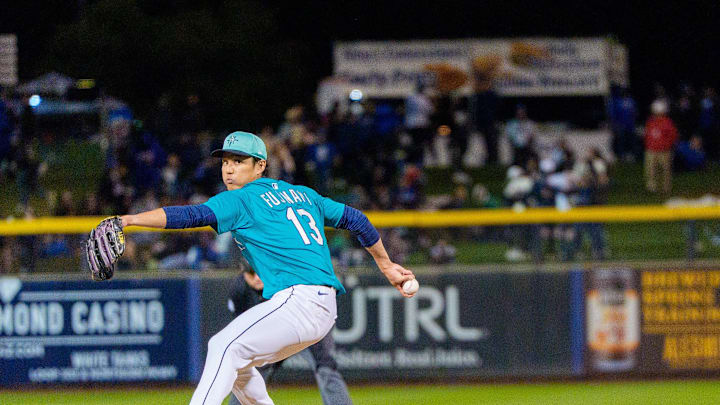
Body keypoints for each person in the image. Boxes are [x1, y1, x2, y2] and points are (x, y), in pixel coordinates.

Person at [116, 131, 416, 405]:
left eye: (239, 161)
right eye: (225, 162)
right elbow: (356, 219)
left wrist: (128, 220)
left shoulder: (242, 199)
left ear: (260, 166)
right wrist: (386, 265)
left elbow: (191, 215)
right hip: (320, 307)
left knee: (223, 346)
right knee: (240, 366)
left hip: (300, 301)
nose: (229, 169)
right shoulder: (304, 194)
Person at [227, 269, 352, 405]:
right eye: (251, 274)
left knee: (325, 366)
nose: (257, 277)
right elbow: (242, 327)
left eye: (259, 272)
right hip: (273, 334)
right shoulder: (239, 288)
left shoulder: (284, 273)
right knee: (250, 370)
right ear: (242, 271)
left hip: (307, 326)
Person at [643, 100, 678, 194]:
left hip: (664, 151)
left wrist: (667, 146)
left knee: (665, 170)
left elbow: (673, 136)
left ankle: (666, 188)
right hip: (651, 150)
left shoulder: (667, 122)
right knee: (650, 170)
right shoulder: (650, 122)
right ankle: (651, 187)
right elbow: (647, 134)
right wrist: (648, 145)